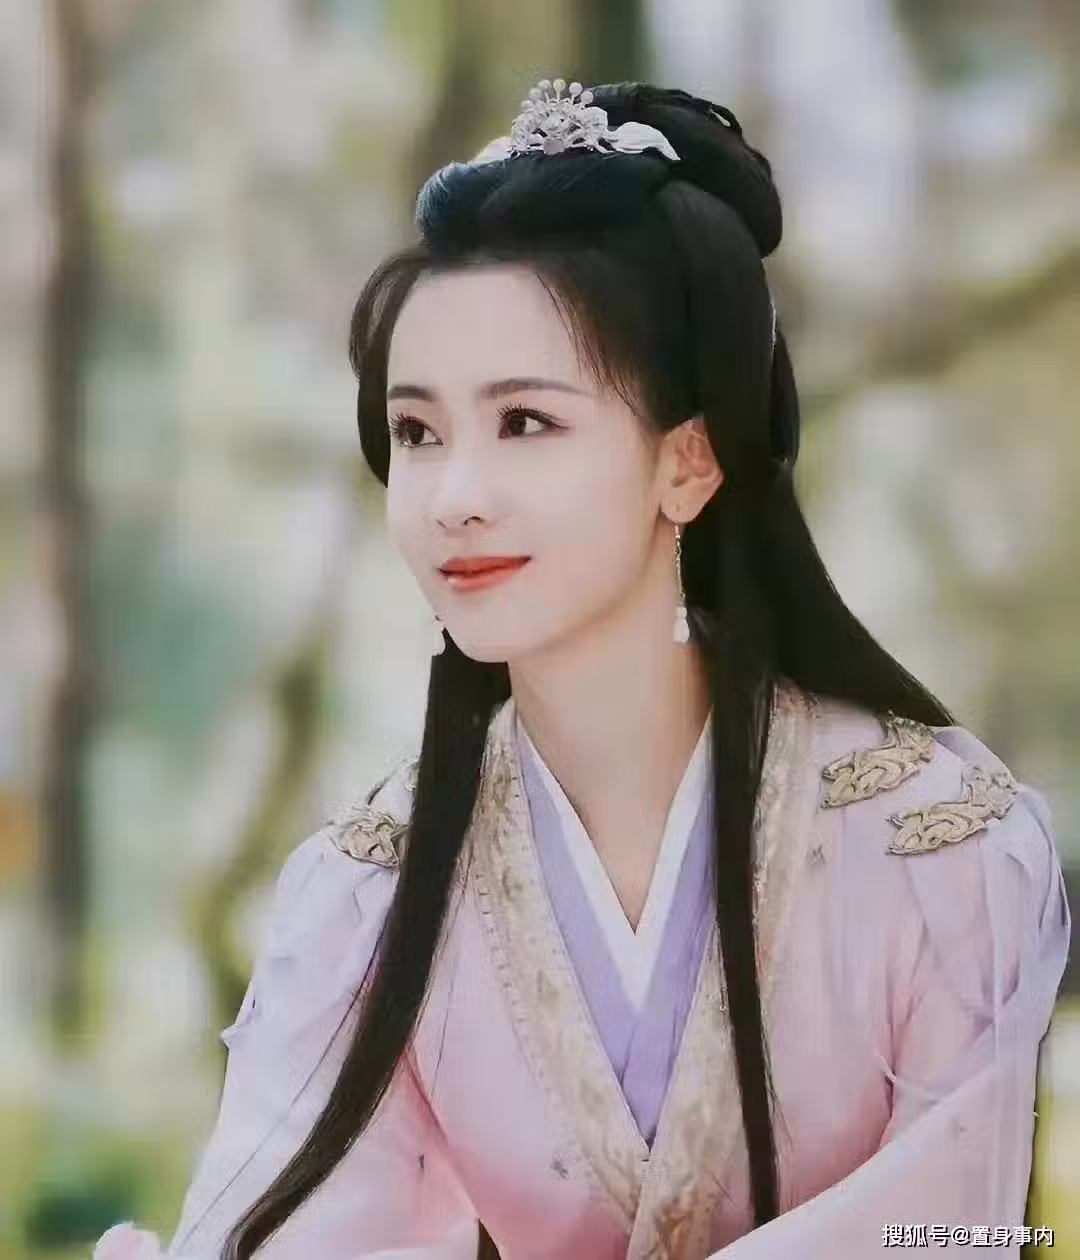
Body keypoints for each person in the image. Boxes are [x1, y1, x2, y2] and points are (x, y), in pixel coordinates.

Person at [93, 79, 1070, 1260]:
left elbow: (952, 1233)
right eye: (417, 433)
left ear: (688, 463)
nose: (454, 498)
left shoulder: (938, 847)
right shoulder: (366, 901)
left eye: (526, 423)